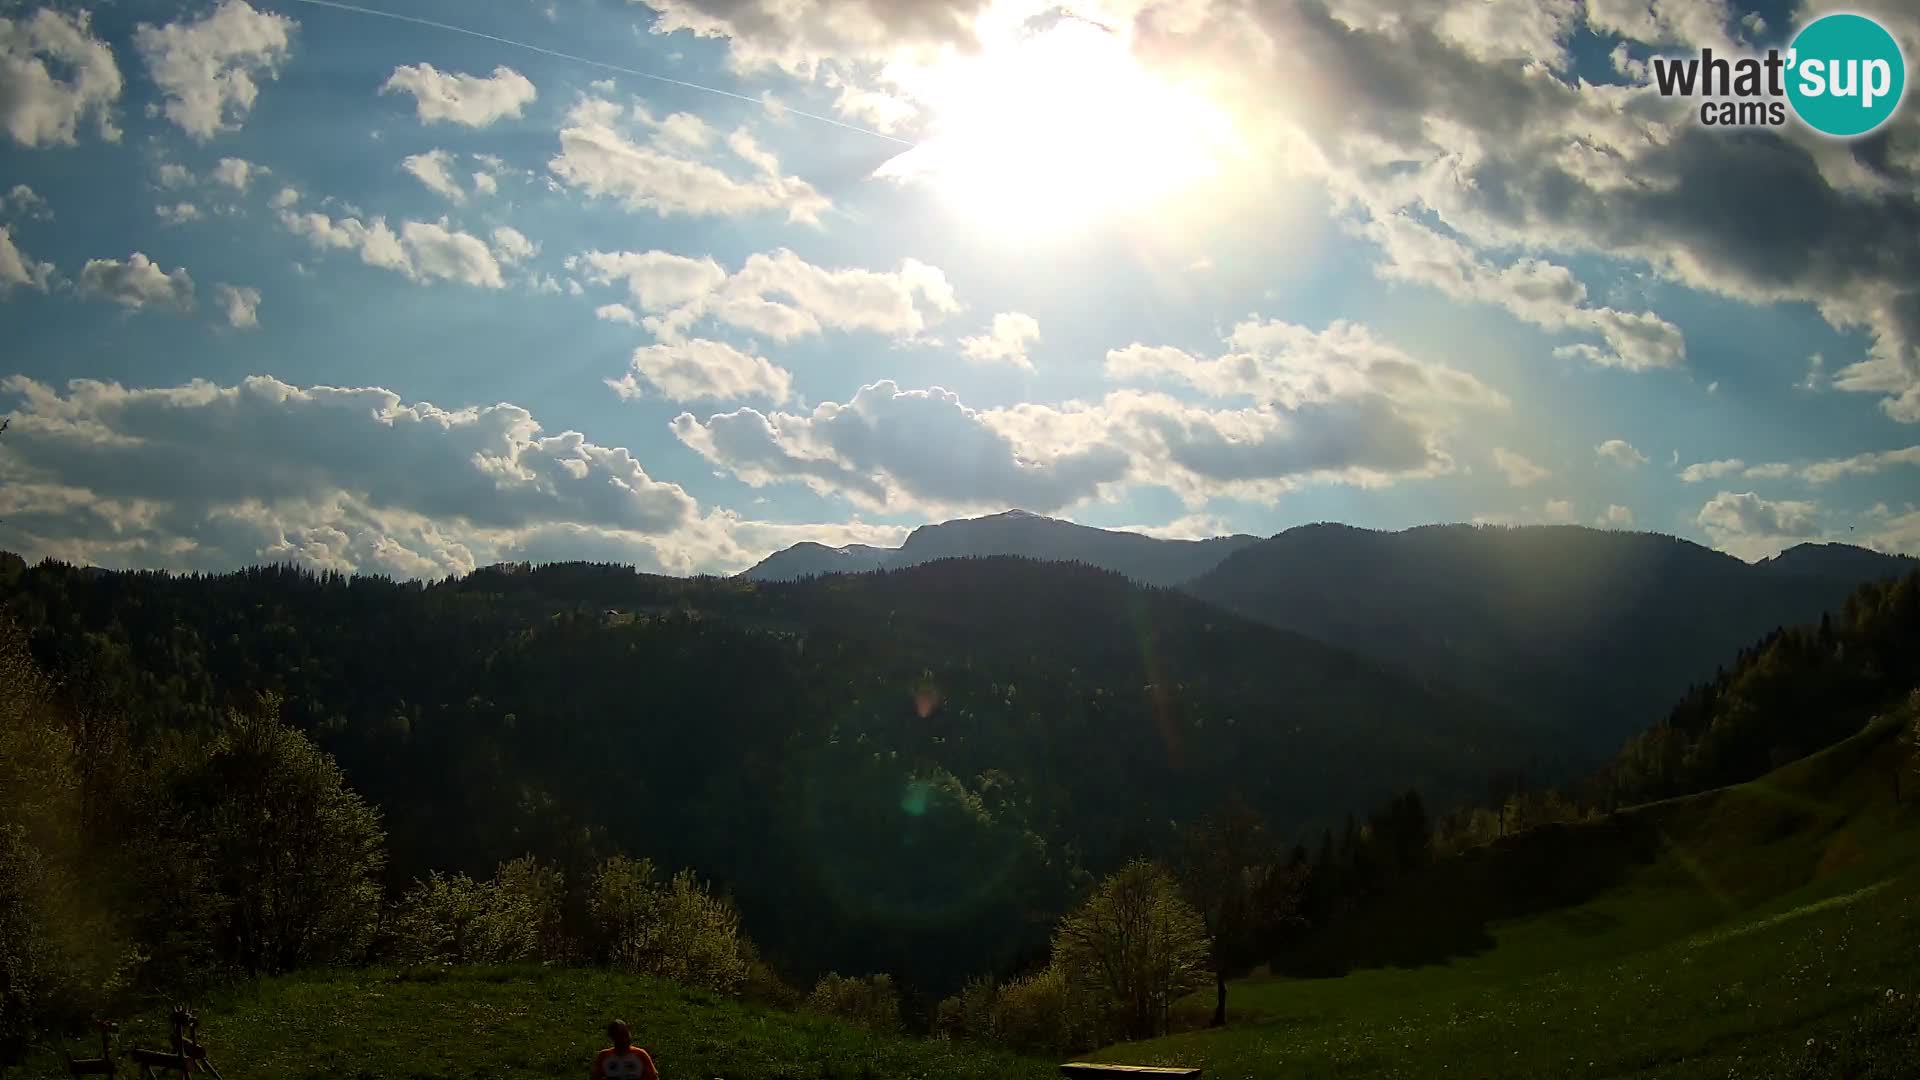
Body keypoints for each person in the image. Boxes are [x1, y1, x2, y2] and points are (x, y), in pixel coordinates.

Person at [591, 1020, 658, 1080]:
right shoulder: (604, 1056)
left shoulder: (640, 1055)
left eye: (626, 1034)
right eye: (620, 1035)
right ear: (612, 1037)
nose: (625, 1039)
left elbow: (653, 1077)